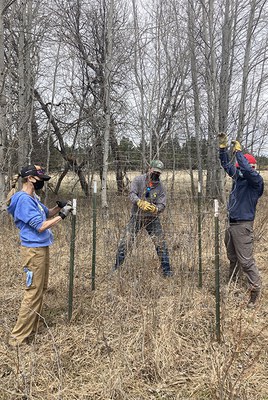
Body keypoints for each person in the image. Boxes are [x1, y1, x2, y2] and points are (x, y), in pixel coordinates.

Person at [7, 164, 73, 346]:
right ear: (30, 179)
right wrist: (63, 217)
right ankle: (17, 339)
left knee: (40, 289)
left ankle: (31, 330)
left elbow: (45, 214)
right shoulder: (23, 200)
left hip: (41, 248)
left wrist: (58, 208)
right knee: (33, 292)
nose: (42, 183)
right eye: (40, 180)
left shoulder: (33, 198)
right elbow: (40, 225)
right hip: (33, 252)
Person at [218, 133, 264, 308]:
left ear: (252, 167)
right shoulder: (239, 178)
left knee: (245, 260)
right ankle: (232, 280)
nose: (238, 170)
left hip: (243, 226)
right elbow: (226, 165)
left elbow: (246, 170)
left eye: (243, 167)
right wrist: (223, 149)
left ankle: (255, 289)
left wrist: (239, 153)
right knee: (232, 256)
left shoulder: (256, 181)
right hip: (230, 223)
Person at [113, 160, 172, 277]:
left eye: (158, 173)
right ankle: (116, 269)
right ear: (150, 168)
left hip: (152, 219)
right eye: (154, 171)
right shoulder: (138, 180)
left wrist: (156, 209)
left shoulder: (160, 187)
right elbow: (131, 194)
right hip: (137, 217)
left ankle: (167, 271)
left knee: (161, 244)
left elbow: (162, 204)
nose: (156, 174)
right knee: (125, 242)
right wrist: (139, 202)